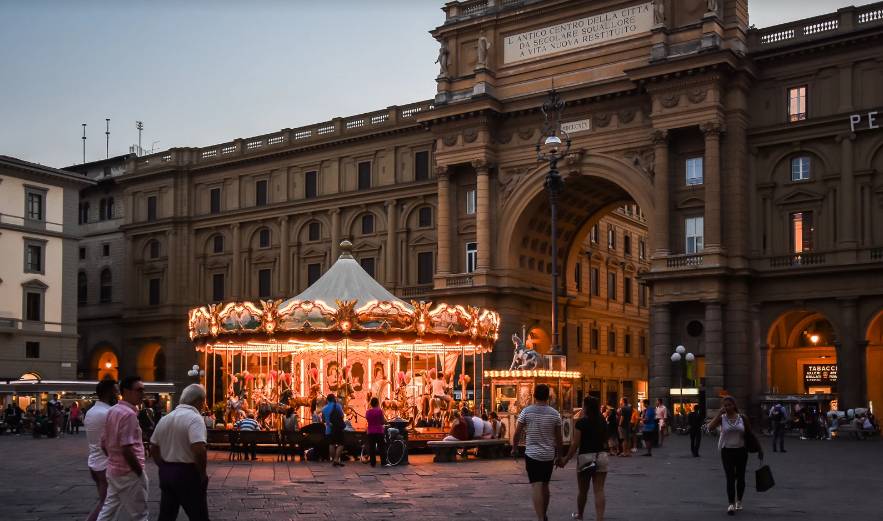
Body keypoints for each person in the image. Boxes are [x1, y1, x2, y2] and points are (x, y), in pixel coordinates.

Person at [150, 384, 209, 521]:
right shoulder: (195, 419)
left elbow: (154, 447)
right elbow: (199, 449)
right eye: (204, 401)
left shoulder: (166, 419)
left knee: (166, 515)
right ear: (199, 401)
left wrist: (163, 466)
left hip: (166, 472)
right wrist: (202, 473)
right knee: (199, 515)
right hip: (187, 473)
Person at [96, 376, 148, 521]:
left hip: (113, 471)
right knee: (140, 514)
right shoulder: (129, 415)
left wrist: (114, 460)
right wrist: (139, 472)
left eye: (143, 390)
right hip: (129, 473)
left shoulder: (113, 411)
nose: (142, 393)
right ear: (126, 391)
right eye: (139, 390)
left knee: (108, 510)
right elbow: (127, 449)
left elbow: (103, 443)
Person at [512, 384, 563, 521]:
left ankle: (540, 518)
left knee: (536, 485)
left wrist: (515, 448)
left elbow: (517, 433)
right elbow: (559, 438)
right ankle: (543, 514)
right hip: (548, 455)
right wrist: (559, 456)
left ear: (534, 395)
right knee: (545, 485)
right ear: (548, 396)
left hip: (532, 454)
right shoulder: (555, 414)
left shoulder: (526, 411)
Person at [708, 396, 763, 515]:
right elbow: (710, 428)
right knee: (730, 478)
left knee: (741, 477)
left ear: (734, 405)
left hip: (741, 451)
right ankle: (731, 504)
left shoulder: (743, 418)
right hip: (727, 451)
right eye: (725, 405)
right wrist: (718, 414)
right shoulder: (722, 418)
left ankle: (739, 501)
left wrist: (759, 449)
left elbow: (750, 433)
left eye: (729, 405)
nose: (727, 407)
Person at [561, 397, 608, 521]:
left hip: (585, 457)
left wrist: (566, 459)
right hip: (601, 456)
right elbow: (605, 439)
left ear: (586, 406)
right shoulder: (603, 421)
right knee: (599, 490)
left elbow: (575, 444)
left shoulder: (581, 422)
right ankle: (600, 518)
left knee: (583, 491)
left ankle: (580, 514)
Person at [85, 380, 119, 521]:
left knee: (106, 502)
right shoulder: (108, 412)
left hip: (94, 462)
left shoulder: (91, 412)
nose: (118, 395)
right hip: (105, 465)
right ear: (109, 393)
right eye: (115, 391)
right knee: (106, 505)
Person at [322, 394, 345, 467]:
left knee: (331, 444)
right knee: (341, 444)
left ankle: (334, 460)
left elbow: (323, 420)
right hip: (337, 428)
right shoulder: (337, 406)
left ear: (327, 400)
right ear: (333, 399)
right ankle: (336, 459)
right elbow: (342, 415)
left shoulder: (324, 408)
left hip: (329, 429)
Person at [365, 397, 386, 467]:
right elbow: (382, 422)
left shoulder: (368, 412)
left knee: (372, 447)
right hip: (379, 431)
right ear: (377, 403)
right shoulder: (380, 411)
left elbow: (367, 420)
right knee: (381, 447)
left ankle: (372, 463)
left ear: (371, 403)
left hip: (370, 431)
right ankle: (383, 462)